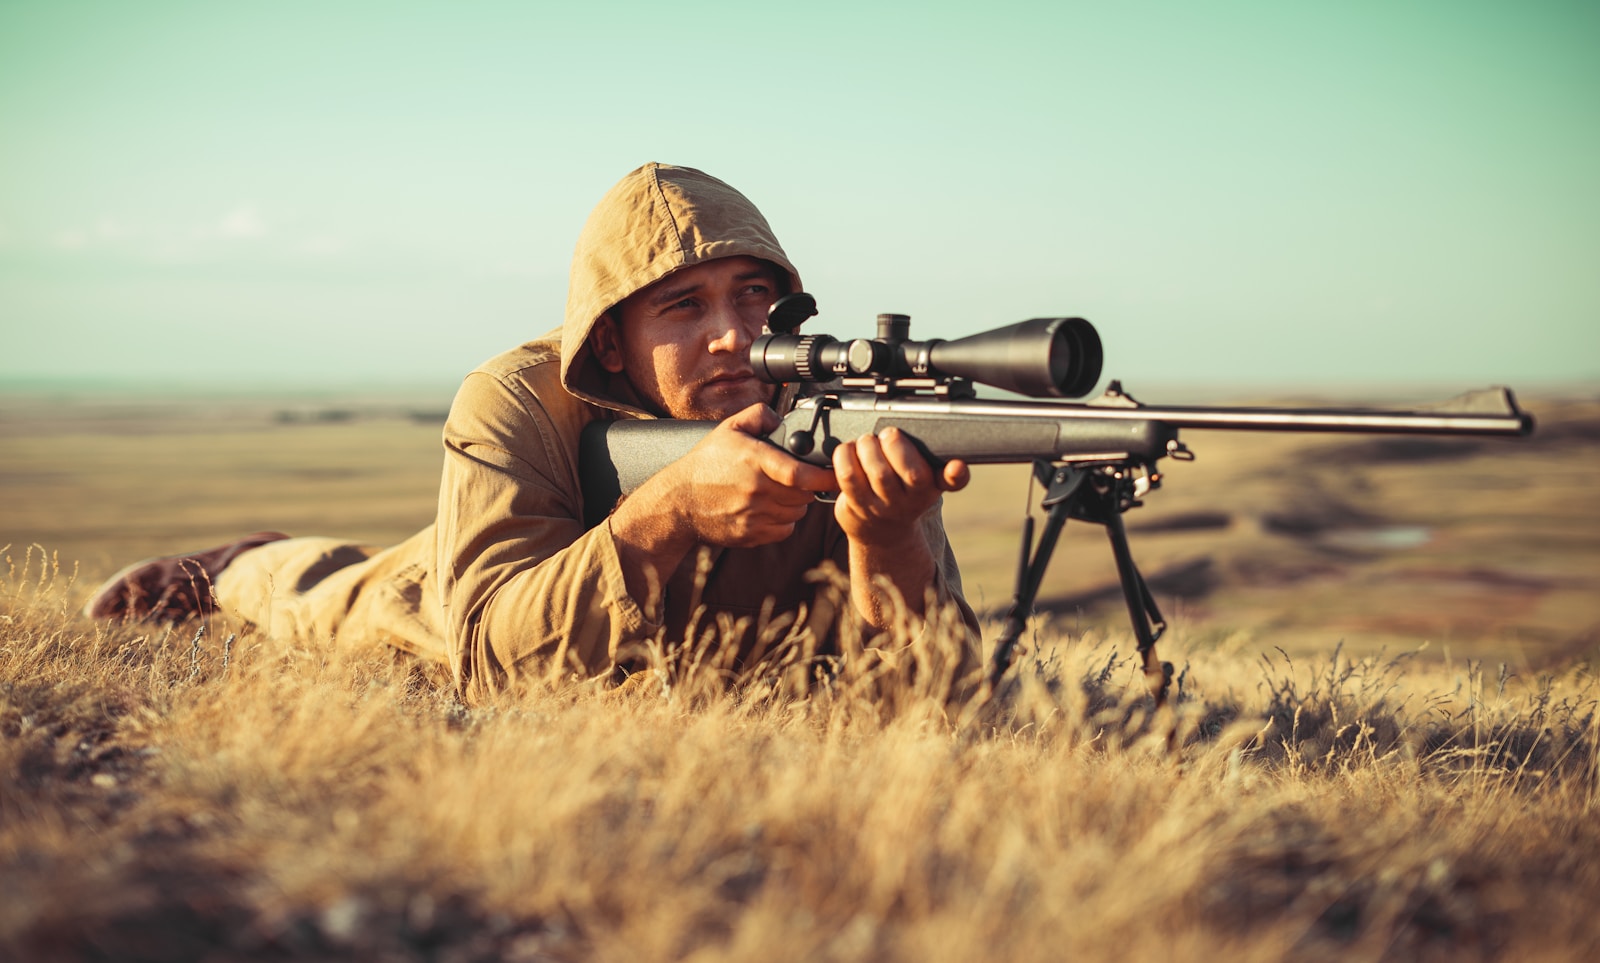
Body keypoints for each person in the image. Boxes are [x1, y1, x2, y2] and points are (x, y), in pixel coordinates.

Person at [84, 163, 979, 701]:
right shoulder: (518, 400)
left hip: (693, 644)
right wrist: (663, 515)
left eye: (755, 294)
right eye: (683, 305)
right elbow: (488, 661)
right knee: (345, 600)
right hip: (487, 581)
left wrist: (887, 538)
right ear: (611, 343)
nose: (736, 335)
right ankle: (240, 562)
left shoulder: (841, 413)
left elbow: (937, 701)